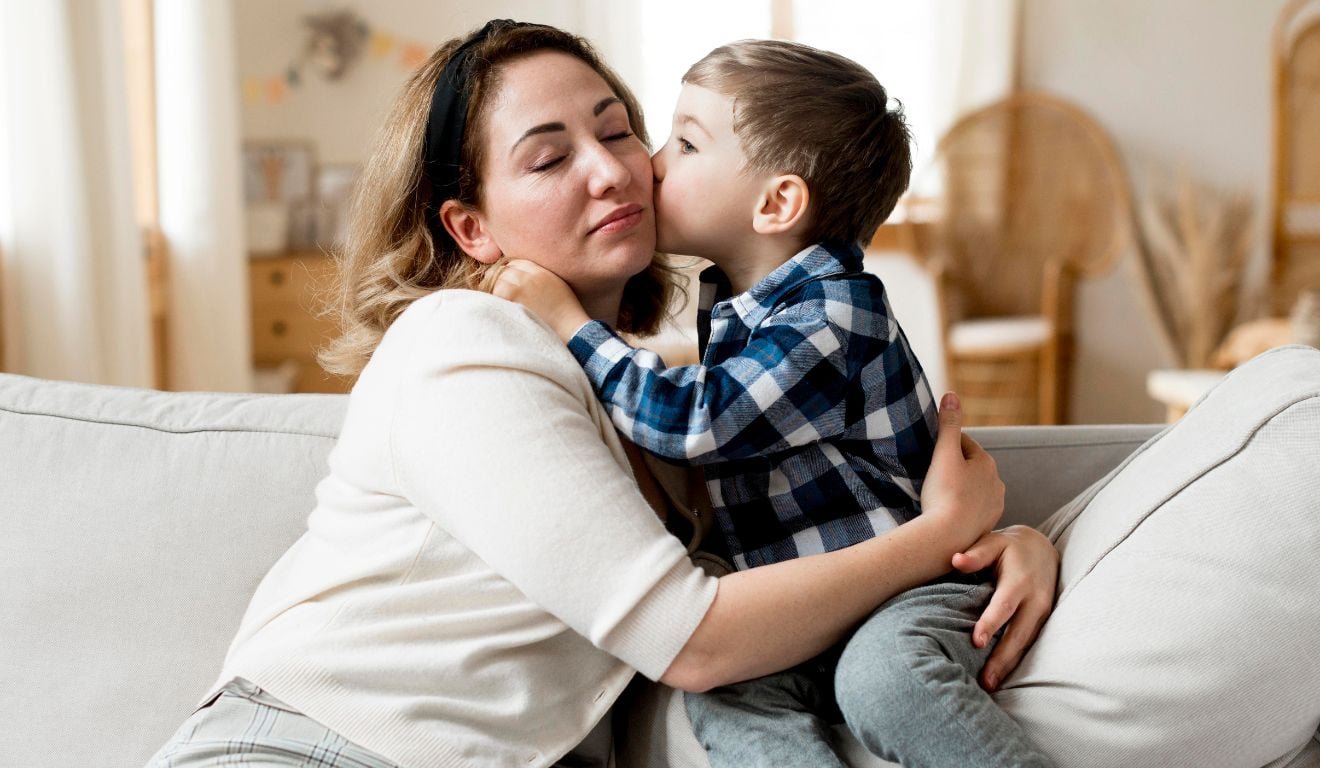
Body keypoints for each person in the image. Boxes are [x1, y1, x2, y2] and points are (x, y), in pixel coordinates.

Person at [145, 20, 1057, 768]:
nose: (617, 169)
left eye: (620, 129)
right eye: (548, 159)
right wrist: (938, 537)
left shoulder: (668, 365)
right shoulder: (462, 344)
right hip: (310, 748)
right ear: (471, 227)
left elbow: (812, 494)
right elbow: (693, 639)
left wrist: (1010, 546)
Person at [495, 38, 1053, 768]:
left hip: (907, 588)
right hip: (812, 608)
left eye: (686, 143)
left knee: (885, 681)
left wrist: (571, 324)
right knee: (727, 697)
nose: (653, 164)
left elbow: (694, 421)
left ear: (777, 203)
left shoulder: (833, 314)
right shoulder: (740, 309)